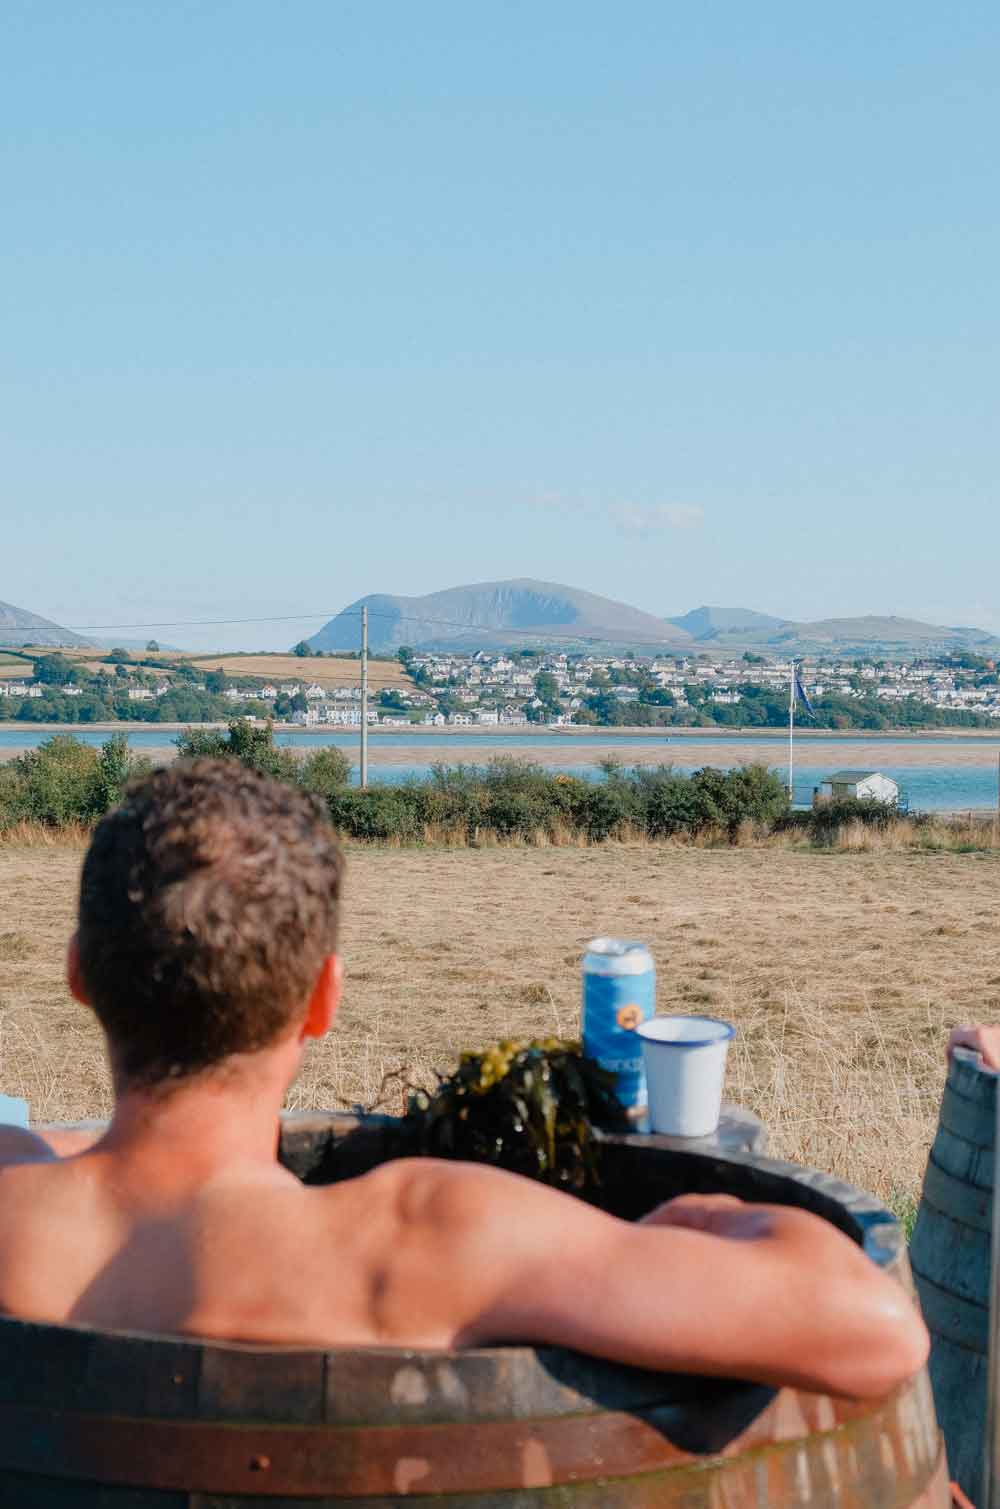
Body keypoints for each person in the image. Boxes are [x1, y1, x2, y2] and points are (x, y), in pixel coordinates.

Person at [0, 760, 927, 1400]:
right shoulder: (428, 1236)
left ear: (80, 973)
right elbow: (878, 1331)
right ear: (323, 998)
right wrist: (696, 1212)